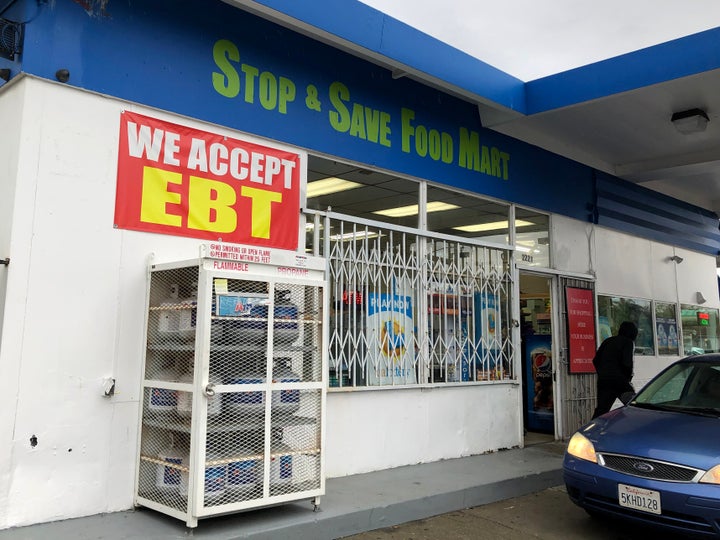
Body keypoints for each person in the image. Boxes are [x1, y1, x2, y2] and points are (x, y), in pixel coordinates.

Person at [591, 321, 638, 419]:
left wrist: (603, 373)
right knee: (634, 406)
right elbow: (627, 364)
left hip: (604, 381)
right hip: (619, 381)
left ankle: (592, 431)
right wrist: (627, 379)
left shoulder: (608, 341)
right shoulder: (628, 342)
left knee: (601, 410)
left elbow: (595, 360)